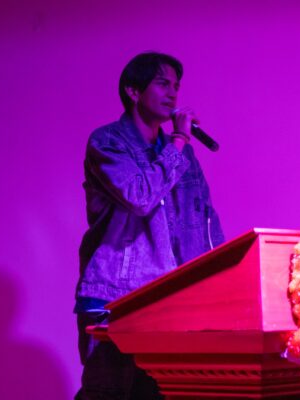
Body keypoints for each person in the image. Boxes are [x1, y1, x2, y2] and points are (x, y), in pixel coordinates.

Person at [74, 52, 224, 399]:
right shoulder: (108, 142)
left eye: (176, 86)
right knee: (108, 394)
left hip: (166, 299)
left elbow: (201, 217)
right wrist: (179, 140)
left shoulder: (181, 152)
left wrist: (215, 280)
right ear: (133, 91)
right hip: (113, 298)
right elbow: (139, 196)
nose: (173, 93)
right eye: (162, 83)